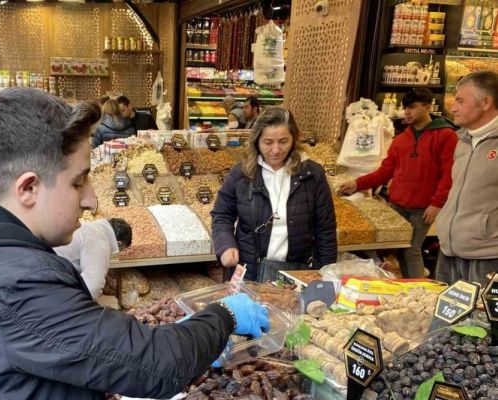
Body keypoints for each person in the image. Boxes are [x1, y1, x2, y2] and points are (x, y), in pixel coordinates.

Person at [0, 88, 270, 400]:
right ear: (27, 188)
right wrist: (224, 315)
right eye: (78, 181)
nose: (89, 200)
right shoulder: (15, 282)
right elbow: (159, 365)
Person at [339, 88, 458, 278]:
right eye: (405, 108)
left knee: (411, 250)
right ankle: (406, 288)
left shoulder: (445, 135)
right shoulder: (402, 139)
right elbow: (386, 171)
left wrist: (437, 203)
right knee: (397, 249)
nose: (407, 112)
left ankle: (419, 292)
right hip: (398, 204)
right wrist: (357, 184)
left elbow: (449, 174)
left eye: (412, 107)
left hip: (423, 207)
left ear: (427, 107)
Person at [211, 106, 337, 283]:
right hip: (248, 272)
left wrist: (326, 274)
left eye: (283, 141)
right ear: (257, 141)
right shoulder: (241, 173)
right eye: (268, 142)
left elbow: (325, 230)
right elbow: (222, 215)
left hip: (294, 275)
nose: (276, 150)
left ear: (294, 139)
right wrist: (225, 245)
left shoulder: (312, 175)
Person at [435, 71, 498, 286]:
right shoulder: (461, 140)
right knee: (443, 319)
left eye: (461, 101)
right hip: (449, 252)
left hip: (488, 258)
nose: (453, 107)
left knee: (482, 320)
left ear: (486, 102)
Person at [54, 218, 132, 298]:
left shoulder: (93, 228)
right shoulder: (100, 241)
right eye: (121, 249)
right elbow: (93, 288)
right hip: (53, 277)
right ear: (119, 243)